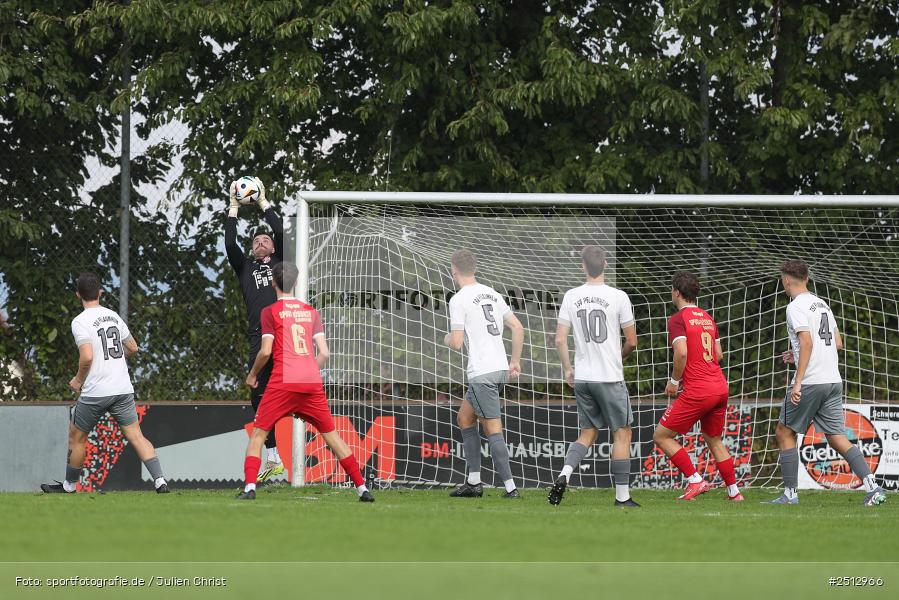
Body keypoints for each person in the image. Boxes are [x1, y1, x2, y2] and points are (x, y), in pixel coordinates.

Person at [237, 262, 374, 502]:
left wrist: (253, 374)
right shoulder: (311, 312)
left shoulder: (269, 312)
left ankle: (250, 488)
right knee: (332, 436)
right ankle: (362, 488)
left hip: (282, 382)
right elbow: (325, 353)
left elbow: (265, 351)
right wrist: (308, 368)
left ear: (272, 283)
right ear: (297, 282)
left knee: (259, 434)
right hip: (311, 382)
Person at [768, 260, 886, 506]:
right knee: (837, 437)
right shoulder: (822, 304)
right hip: (833, 380)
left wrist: (798, 382)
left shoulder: (794, 306)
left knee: (784, 432)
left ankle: (790, 495)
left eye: (782, 280)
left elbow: (808, 342)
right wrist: (797, 354)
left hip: (811, 381)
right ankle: (872, 487)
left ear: (787, 280)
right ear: (807, 280)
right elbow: (837, 343)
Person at [41, 273, 168, 494]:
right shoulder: (113, 316)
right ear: (100, 292)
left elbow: (87, 357)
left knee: (77, 436)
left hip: (96, 392)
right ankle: (160, 481)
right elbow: (133, 347)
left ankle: (69, 486)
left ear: (77, 295)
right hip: (122, 389)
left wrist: (78, 380)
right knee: (136, 436)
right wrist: (117, 358)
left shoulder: (80, 321)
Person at [548, 246, 639, 507]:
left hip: (584, 377)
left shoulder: (571, 296)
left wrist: (568, 369)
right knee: (622, 433)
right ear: (606, 265)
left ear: (583, 267)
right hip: (609, 377)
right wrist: (617, 357)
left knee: (587, 433)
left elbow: (559, 339)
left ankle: (564, 474)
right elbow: (632, 341)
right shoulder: (618, 296)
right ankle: (622, 497)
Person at [652, 272, 743, 502]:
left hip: (699, 390)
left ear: (676, 292)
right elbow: (719, 355)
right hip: (720, 387)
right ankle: (734, 492)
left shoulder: (677, 319)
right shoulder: (708, 318)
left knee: (662, 436)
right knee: (713, 438)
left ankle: (695, 480)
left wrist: (673, 382)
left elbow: (681, 351)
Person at [444, 250, 525, 499]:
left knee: (492, 429)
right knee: (465, 419)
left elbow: (457, 342)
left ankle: (511, 489)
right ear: (474, 268)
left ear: (454, 270)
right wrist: (515, 361)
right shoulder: (491, 292)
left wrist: (446, 338)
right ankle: (474, 482)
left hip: (482, 372)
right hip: (499, 368)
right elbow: (518, 327)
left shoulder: (458, 299)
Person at [224, 177, 284, 482]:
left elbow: (279, 229)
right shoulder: (245, 266)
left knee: (293, 393)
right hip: (258, 336)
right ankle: (273, 456)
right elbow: (230, 243)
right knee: (258, 396)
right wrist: (234, 207)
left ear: (273, 246)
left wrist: (262, 201)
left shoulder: (281, 263)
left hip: (285, 334)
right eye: (255, 241)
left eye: (265, 239)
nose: (260, 242)